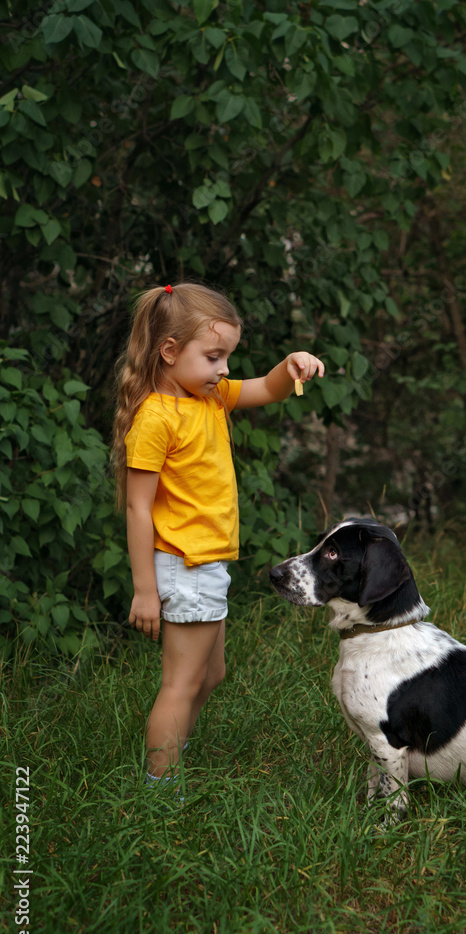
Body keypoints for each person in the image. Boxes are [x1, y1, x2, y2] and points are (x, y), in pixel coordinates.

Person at [111, 282, 324, 797]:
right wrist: (145, 590)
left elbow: (266, 389)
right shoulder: (157, 418)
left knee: (212, 675)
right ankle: (160, 792)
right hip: (183, 565)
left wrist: (291, 363)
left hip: (207, 565)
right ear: (169, 351)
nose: (224, 368)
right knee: (181, 684)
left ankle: (175, 751)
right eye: (213, 356)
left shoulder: (207, 397)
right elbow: (139, 507)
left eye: (227, 355)